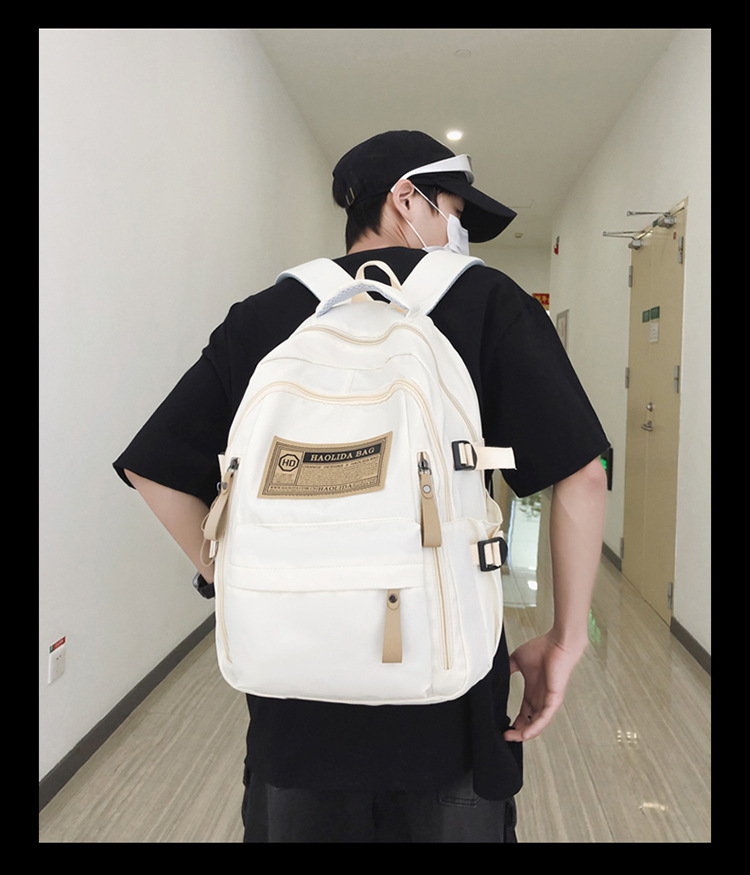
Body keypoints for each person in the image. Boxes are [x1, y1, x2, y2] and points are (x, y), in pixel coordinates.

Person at [114, 130, 609, 843]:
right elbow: (583, 476)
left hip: (295, 725)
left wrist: (236, 572)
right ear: (406, 199)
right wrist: (564, 639)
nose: (459, 233)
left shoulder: (266, 315)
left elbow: (153, 467)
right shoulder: (486, 301)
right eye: (453, 211)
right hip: (447, 710)